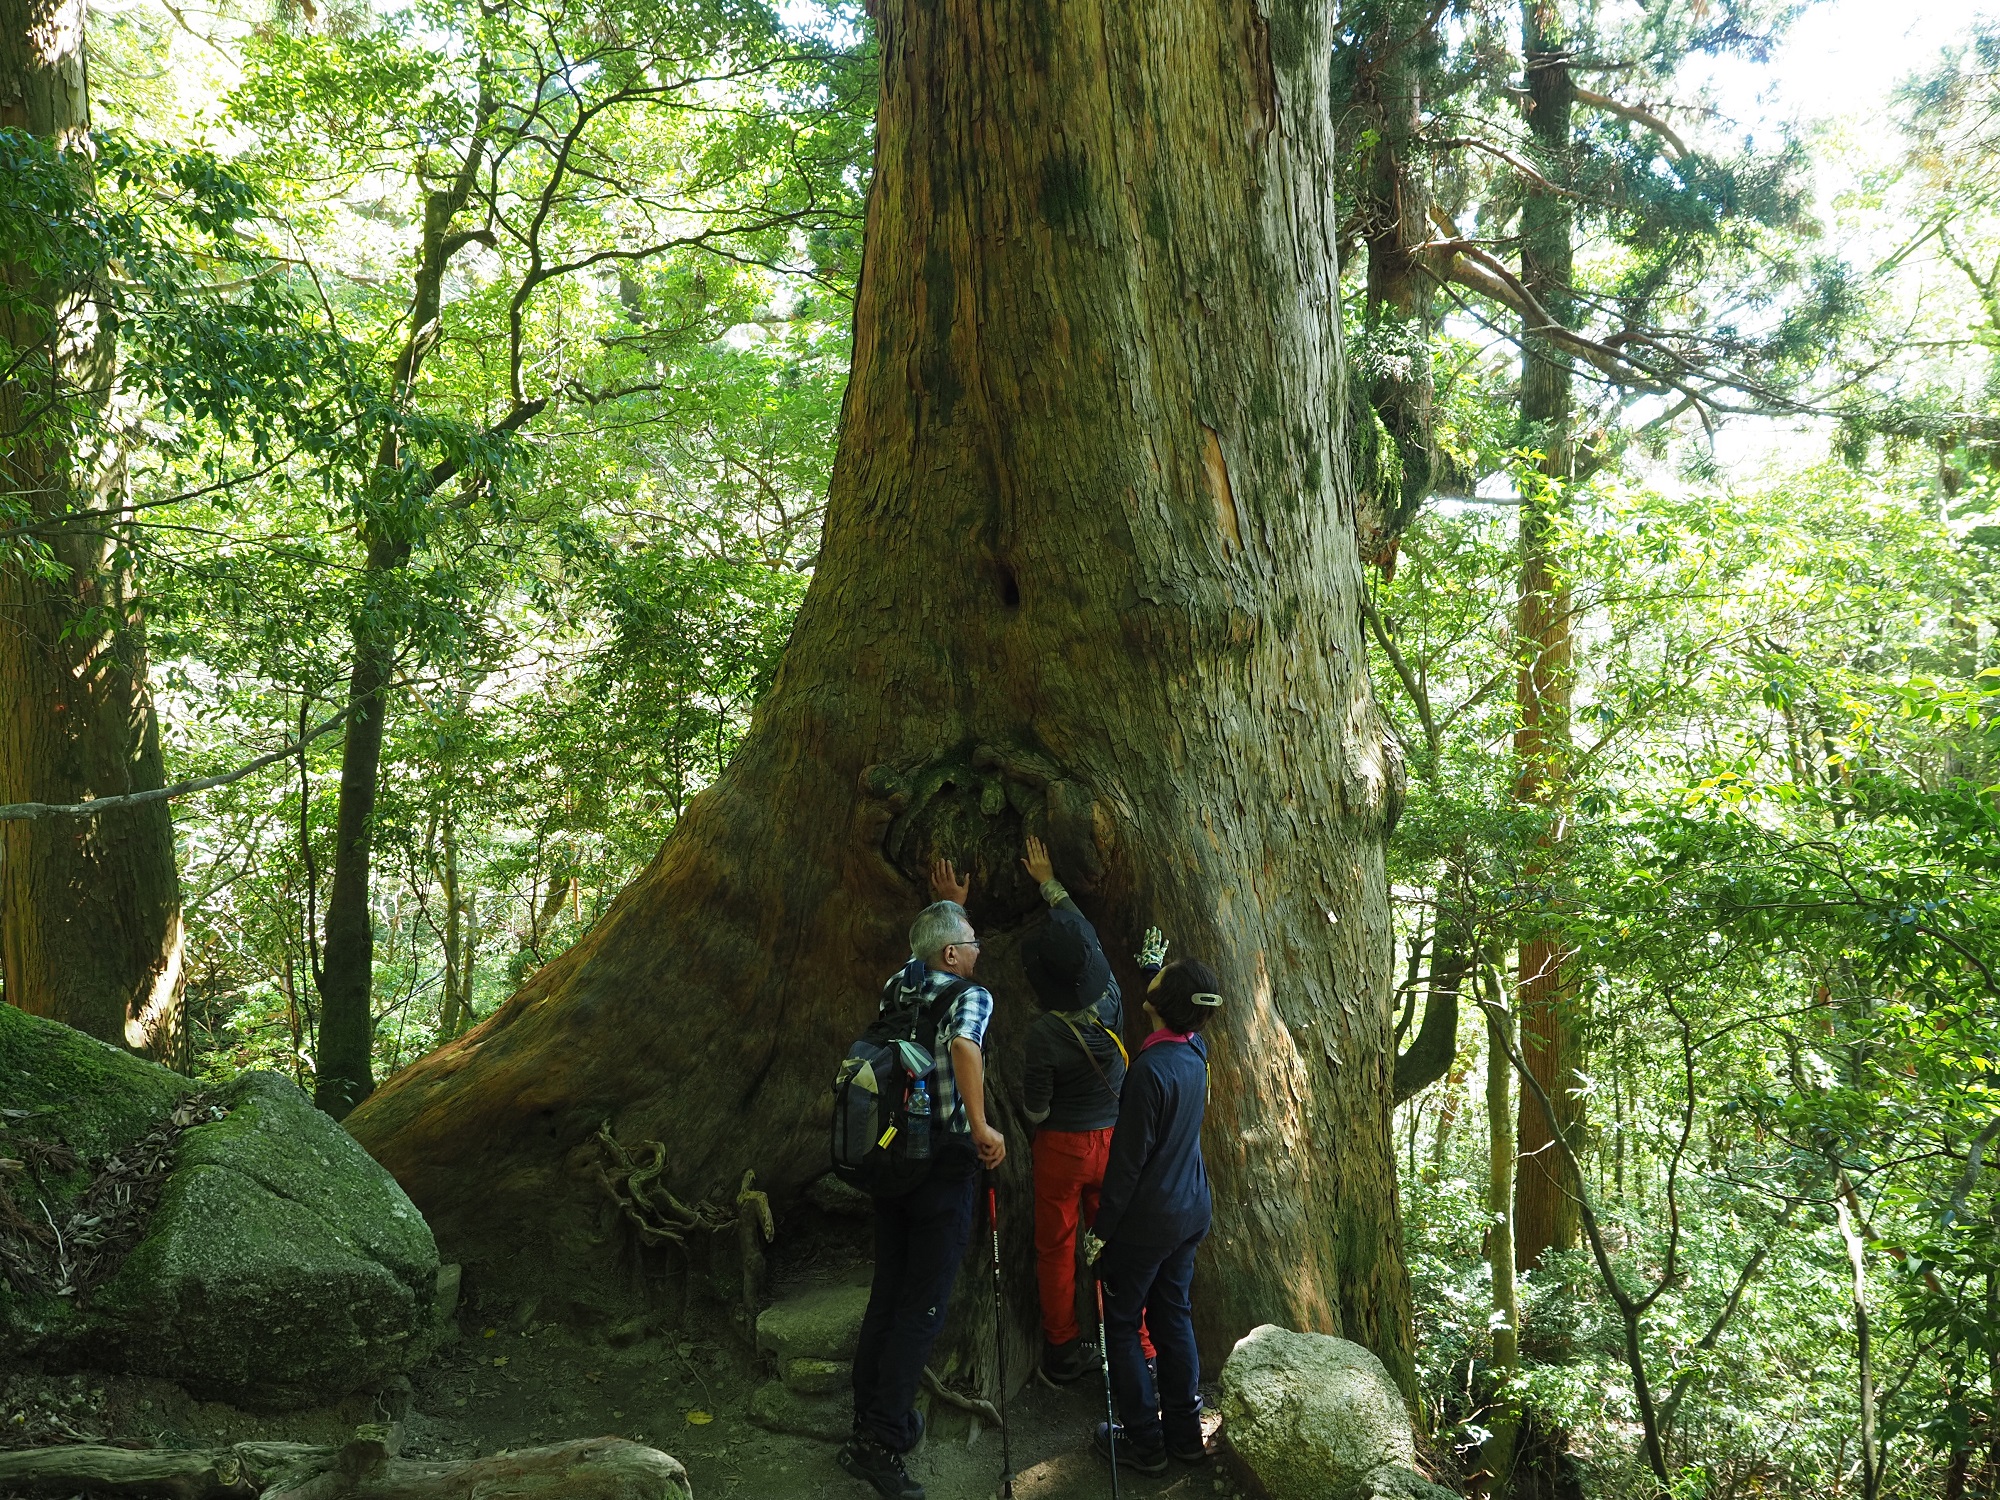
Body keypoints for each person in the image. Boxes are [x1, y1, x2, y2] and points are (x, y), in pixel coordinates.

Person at [839, 858, 1006, 1500]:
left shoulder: (899, 982)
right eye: (970, 945)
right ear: (952, 953)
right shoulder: (971, 994)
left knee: (889, 1292)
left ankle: (869, 1417)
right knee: (923, 1304)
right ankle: (879, 1442)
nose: (978, 952)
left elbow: (933, 958)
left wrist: (950, 906)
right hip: (942, 1163)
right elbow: (965, 1046)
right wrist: (985, 1128)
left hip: (891, 1161)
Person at [1016, 834, 1153, 1386]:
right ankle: (1137, 1344)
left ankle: (1063, 1347)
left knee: (1056, 1245)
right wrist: (1050, 882)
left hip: (1063, 1148)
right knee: (1114, 1238)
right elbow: (1081, 931)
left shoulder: (1044, 1034)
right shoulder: (1115, 997)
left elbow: (1034, 1108)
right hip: (1115, 1139)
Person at [1083, 956, 1225, 1474]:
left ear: (1159, 1007)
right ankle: (1185, 1435)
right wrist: (1154, 977)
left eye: (1158, 982)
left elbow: (1125, 1168)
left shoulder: (1146, 1072)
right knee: (1173, 1315)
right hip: (1191, 1211)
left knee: (1122, 1325)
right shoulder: (1195, 1050)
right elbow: (1178, 1007)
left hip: (1147, 1221)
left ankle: (1144, 1441)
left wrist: (1100, 1233)